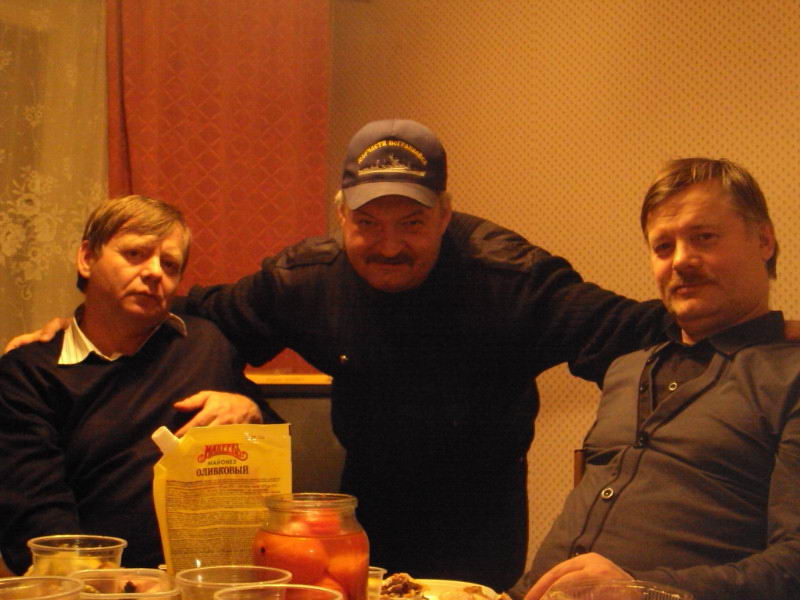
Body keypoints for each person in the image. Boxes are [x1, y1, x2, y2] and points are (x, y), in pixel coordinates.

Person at [3, 121, 671, 589]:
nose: (389, 244)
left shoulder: (513, 279)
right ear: (341, 215)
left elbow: (638, 334)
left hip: (479, 513)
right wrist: (81, 323)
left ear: (445, 215)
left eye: (412, 223)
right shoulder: (304, 280)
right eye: (367, 223)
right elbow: (200, 310)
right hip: (361, 509)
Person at [510, 158, 800, 600]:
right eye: (663, 247)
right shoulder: (626, 370)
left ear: (764, 240)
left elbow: (794, 564)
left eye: (704, 237)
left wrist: (641, 590)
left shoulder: (789, 375)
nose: (681, 260)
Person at [0, 195, 277, 574]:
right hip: (91, 585)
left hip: (209, 579)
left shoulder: (207, 345)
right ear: (86, 258)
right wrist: (112, 582)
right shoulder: (28, 373)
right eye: (135, 254)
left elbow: (278, 463)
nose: (154, 272)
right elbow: (34, 519)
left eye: (169, 264)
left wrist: (251, 411)